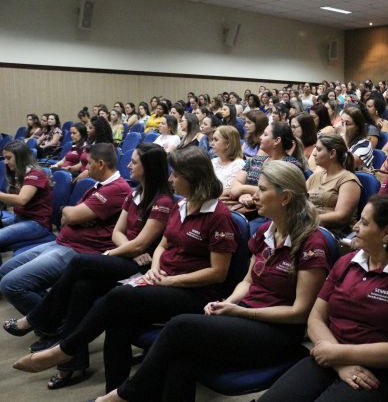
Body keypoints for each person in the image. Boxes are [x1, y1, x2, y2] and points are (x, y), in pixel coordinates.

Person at [92, 161, 330, 402]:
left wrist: (240, 312)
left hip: (278, 332)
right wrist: (228, 303)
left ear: (285, 198)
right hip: (246, 315)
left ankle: (125, 395)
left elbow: (299, 313)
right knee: (182, 358)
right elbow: (248, 282)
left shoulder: (312, 244)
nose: (254, 195)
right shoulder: (265, 231)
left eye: (262, 189)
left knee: (180, 326)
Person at [11, 147, 239, 393]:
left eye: (176, 174)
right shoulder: (182, 205)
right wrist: (155, 268)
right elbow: (163, 245)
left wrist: (170, 281)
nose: (171, 178)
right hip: (161, 278)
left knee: (119, 295)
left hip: (193, 292)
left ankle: (66, 348)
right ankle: (114, 392)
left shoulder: (218, 216)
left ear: (192, 177)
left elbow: (218, 273)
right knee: (116, 320)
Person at [3, 143, 173, 389]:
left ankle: (42, 320)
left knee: (80, 262)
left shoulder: (162, 201)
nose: (128, 164)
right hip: (129, 258)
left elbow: (142, 243)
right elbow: (118, 233)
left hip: (144, 268)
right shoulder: (136, 194)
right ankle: (73, 363)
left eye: (134, 162)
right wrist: (128, 249)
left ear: (148, 167)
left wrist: (114, 251)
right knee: (81, 288)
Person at [260, 194, 388, 402]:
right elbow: (315, 318)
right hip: (330, 354)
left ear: (387, 233)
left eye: (364, 223)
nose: (355, 227)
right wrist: (338, 361)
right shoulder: (347, 262)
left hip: (377, 370)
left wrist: (337, 354)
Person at [0, 143, 131, 315]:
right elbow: (66, 217)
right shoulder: (99, 185)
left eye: (89, 163)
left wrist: (72, 215)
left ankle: (50, 323)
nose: (85, 167)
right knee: (5, 271)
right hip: (63, 241)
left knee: (11, 284)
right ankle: (53, 311)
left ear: (100, 164)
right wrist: (68, 213)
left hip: (79, 249)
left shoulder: (117, 188)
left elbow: (72, 216)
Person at [229, 121, 305, 208]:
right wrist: (243, 195)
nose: (260, 137)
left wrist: (243, 189)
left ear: (277, 141)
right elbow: (236, 184)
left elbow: (278, 192)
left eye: (265, 135)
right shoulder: (255, 160)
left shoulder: (291, 165)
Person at [0, 141, 53, 250]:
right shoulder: (19, 173)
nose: (5, 162)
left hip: (37, 223)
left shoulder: (35, 174)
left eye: (9, 158)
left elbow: (21, 200)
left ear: (20, 157)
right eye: (5, 158)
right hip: (20, 218)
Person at [307, 134, 361, 235]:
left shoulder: (348, 180)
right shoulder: (315, 177)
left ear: (332, 153)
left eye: (318, 150)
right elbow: (299, 200)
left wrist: (307, 220)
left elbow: (341, 216)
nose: (314, 154)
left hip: (334, 234)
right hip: (311, 228)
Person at [210, 126, 245, 194]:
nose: (212, 143)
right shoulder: (213, 161)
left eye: (216, 140)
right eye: (212, 139)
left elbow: (227, 193)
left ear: (228, 144)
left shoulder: (239, 165)